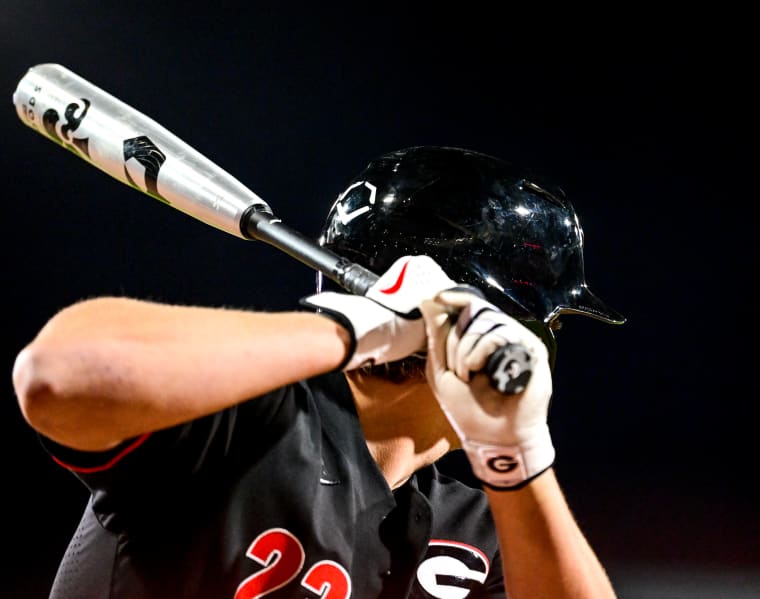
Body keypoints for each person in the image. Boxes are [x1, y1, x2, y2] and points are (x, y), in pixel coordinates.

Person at [13, 145, 625, 598]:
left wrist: (516, 455)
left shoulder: (479, 528)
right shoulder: (241, 419)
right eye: (551, 327)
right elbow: (57, 374)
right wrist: (359, 329)